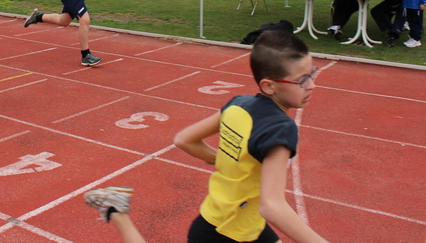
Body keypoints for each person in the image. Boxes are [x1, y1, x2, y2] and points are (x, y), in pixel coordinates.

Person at [84, 31, 329, 243]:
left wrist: (226, 160)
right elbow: (272, 206)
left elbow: (184, 139)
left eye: (312, 73)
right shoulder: (281, 129)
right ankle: (116, 210)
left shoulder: (239, 104)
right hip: (223, 233)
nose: (312, 85)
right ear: (268, 86)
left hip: (241, 220)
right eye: (301, 80)